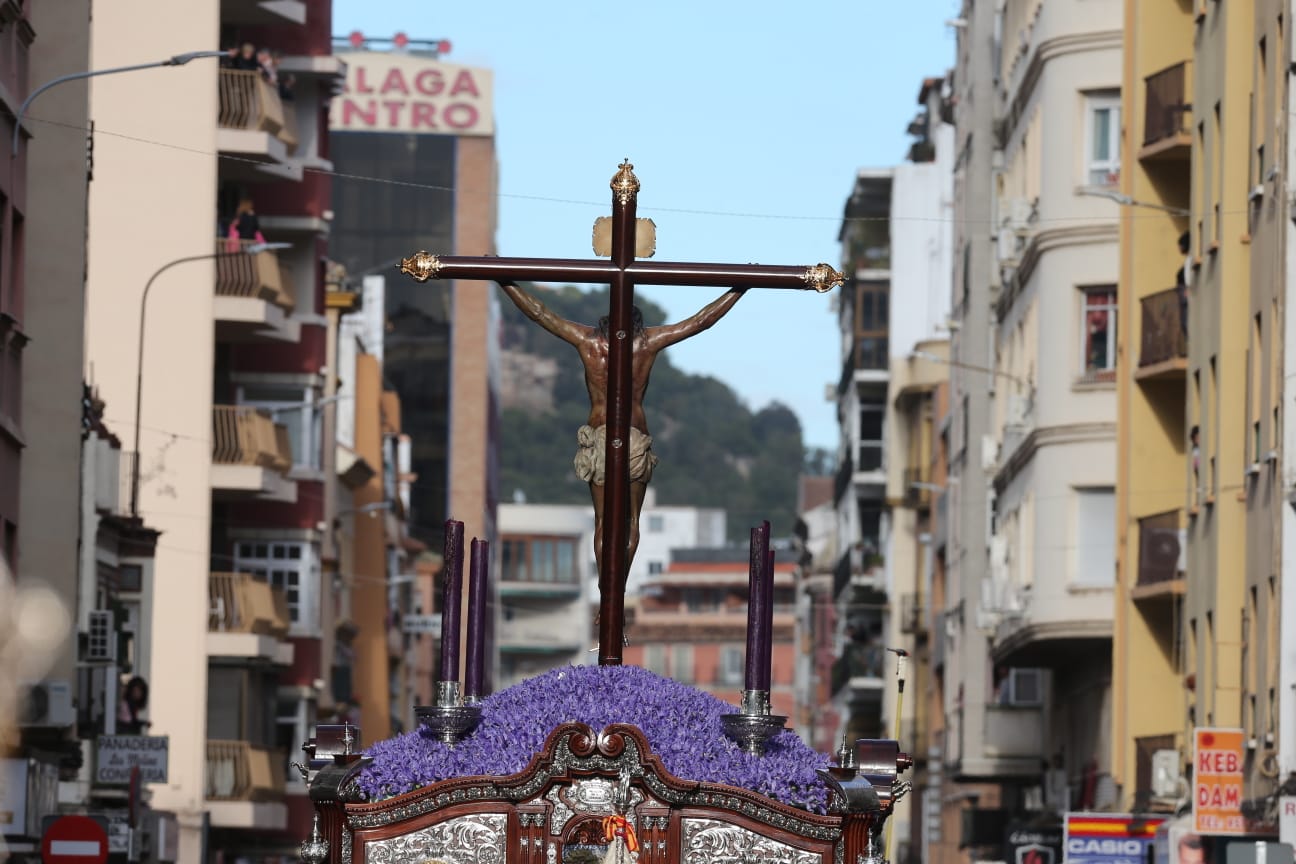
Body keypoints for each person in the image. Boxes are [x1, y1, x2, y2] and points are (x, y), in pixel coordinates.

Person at [496, 280, 747, 591]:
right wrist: (740, 288)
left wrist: (504, 280)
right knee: (631, 523)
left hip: (600, 435)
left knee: (603, 523)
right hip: (634, 439)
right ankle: (617, 591)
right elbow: (701, 321)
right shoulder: (647, 342)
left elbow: (539, 313)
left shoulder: (587, 340)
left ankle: (605, 591)